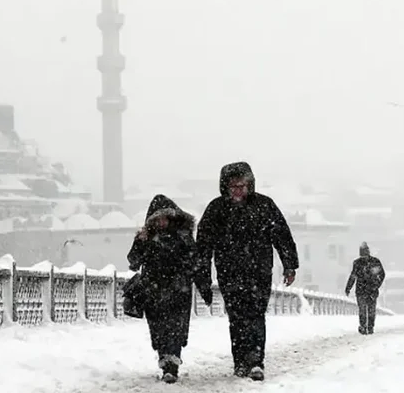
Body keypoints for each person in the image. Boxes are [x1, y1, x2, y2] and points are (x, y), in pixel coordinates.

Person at [195, 161, 299, 382]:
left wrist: (290, 264)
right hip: (229, 272)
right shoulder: (216, 209)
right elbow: (203, 245)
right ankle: (240, 361)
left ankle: (255, 361)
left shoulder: (264, 205)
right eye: (234, 186)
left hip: (259, 271)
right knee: (237, 317)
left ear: (250, 185)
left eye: (242, 185)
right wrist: (202, 275)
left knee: (255, 314)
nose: (238, 191)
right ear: (226, 187)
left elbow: (281, 235)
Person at [127, 194, 211, 384]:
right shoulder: (147, 238)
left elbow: (196, 263)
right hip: (153, 291)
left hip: (178, 291)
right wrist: (141, 242)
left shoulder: (183, 238)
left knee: (176, 328)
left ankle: (171, 364)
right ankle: (165, 358)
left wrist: (203, 286)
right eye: (158, 219)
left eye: (165, 218)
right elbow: (133, 261)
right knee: (158, 328)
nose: (162, 222)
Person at [344, 242, 386, 335]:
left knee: (370, 309)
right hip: (365, 290)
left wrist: (376, 285)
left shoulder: (373, 262)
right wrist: (348, 287)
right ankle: (364, 326)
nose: (364, 257)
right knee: (364, 309)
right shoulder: (362, 263)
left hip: (369, 290)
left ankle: (369, 327)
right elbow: (353, 276)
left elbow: (381, 274)